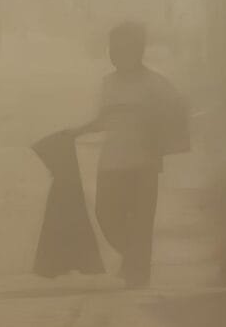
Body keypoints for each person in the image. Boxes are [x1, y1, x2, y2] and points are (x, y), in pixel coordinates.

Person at [71, 22, 189, 288]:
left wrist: (164, 140)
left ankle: (138, 272)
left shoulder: (155, 84)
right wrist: (77, 131)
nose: (117, 55)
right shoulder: (108, 83)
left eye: (124, 49)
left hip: (144, 163)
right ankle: (134, 259)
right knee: (106, 215)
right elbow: (104, 119)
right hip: (111, 162)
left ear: (138, 50)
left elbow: (178, 112)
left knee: (141, 221)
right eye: (114, 49)